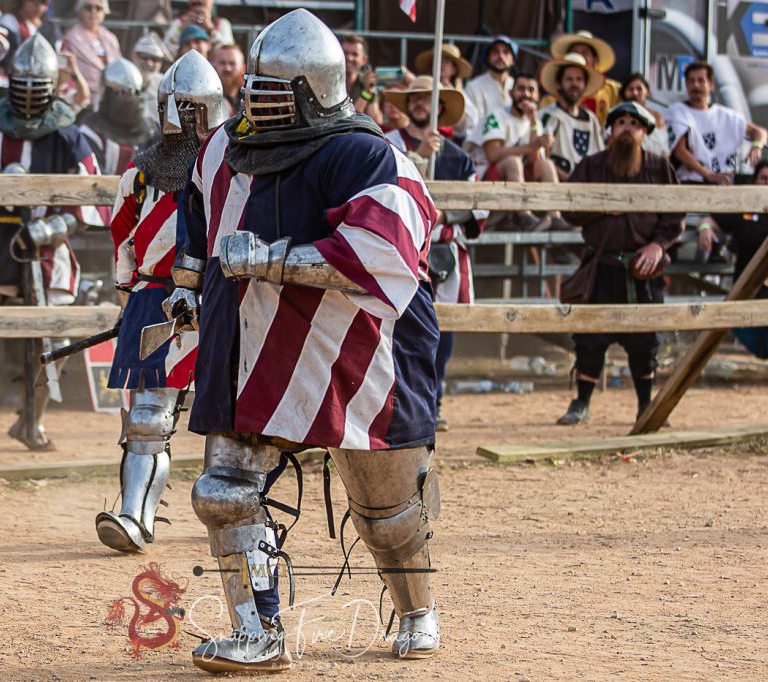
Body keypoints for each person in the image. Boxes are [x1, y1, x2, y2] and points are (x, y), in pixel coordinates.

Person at [169, 9, 442, 672]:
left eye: (274, 89)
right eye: (253, 87)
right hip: (252, 345)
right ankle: (257, 633)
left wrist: (270, 259)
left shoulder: (368, 155)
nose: (255, 101)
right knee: (224, 490)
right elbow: (199, 222)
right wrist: (184, 285)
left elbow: (388, 255)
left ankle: (417, 610)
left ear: (313, 88)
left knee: (387, 513)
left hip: (360, 356)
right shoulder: (220, 150)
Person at [96, 51, 225, 553]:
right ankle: (134, 517)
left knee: (226, 415)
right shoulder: (141, 172)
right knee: (147, 418)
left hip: (218, 297)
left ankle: (236, 512)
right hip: (153, 297)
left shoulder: (229, 168)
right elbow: (122, 235)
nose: (183, 118)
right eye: (177, 106)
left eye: (192, 108)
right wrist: (129, 295)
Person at [0, 34, 103, 450]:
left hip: (45, 244)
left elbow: (89, 197)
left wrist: (48, 228)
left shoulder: (68, 134)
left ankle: (31, 420)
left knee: (55, 339)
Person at [556, 102, 685, 426]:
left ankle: (646, 406)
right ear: (611, 130)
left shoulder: (659, 168)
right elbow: (568, 208)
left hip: (642, 269)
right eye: (621, 123)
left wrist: (658, 245)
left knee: (645, 340)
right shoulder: (592, 166)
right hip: (602, 267)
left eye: (634, 124)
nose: (627, 128)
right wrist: (603, 209)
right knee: (589, 338)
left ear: (644, 132)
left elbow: (676, 214)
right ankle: (581, 404)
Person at [385, 80, 486, 431]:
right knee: (399, 327)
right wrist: (421, 159)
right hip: (402, 249)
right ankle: (397, 405)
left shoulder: (459, 158)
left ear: (439, 107)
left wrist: (442, 214)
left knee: (441, 332)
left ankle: (434, 401)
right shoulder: (388, 146)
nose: (418, 105)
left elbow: (477, 213)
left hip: (445, 252)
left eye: (425, 100)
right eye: (412, 99)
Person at [468, 72, 562, 230]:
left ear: (538, 96)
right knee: (513, 161)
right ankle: (524, 216)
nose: (526, 94)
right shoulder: (496, 116)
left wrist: (533, 121)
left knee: (546, 164)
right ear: (511, 93)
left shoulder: (535, 121)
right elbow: (493, 154)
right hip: (485, 181)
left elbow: (535, 159)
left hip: (518, 182)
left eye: (531, 90)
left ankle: (555, 217)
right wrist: (533, 145)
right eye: (521, 89)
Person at [712, 160, 768, 359]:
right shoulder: (744, 208)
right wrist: (705, 229)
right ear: (754, 181)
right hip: (749, 287)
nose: (767, 183)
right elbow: (712, 219)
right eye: (763, 178)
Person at [668, 61, 768, 186]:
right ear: (686, 84)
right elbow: (680, 151)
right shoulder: (677, 111)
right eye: (691, 81)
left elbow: (760, 132)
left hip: (724, 183)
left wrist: (756, 146)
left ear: (711, 85)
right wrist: (708, 175)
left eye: (701, 80)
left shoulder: (727, 116)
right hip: (691, 183)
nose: (696, 85)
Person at [78, 57, 155, 176]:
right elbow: (94, 181)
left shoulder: (151, 131)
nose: (129, 99)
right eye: (121, 93)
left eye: (133, 93)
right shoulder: (91, 132)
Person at [538, 52, 604, 180]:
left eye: (579, 79)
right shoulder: (547, 115)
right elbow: (541, 158)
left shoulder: (591, 119)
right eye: (569, 79)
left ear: (585, 84)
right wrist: (571, 179)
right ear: (558, 83)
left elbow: (599, 158)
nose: (574, 84)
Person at [382, 75, 465, 171]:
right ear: (407, 104)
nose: (419, 103)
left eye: (427, 98)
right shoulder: (389, 144)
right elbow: (386, 173)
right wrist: (418, 156)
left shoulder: (457, 157)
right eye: (414, 98)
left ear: (439, 107)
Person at [544, 31, 621, 126]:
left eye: (585, 53)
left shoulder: (613, 90)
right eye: (575, 52)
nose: (580, 56)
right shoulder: (550, 101)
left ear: (595, 59)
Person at [61, 0, 120, 109]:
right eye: (88, 8)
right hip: (83, 99)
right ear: (79, 11)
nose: (94, 11)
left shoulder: (111, 38)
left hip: (111, 98)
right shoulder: (70, 37)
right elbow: (63, 70)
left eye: (98, 8)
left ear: (104, 12)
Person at [415, 43, 475, 139]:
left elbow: (465, 126)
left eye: (446, 61)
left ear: (454, 69)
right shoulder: (419, 87)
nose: (441, 64)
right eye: (437, 60)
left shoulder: (460, 94)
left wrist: (453, 99)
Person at [464, 35, 515, 138]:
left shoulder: (518, 86)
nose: (501, 56)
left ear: (513, 60)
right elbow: (471, 127)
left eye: (506, 52)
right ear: (487, 58)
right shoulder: (473, 87)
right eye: (495, 52)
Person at [161, 0, 231, 58]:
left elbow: (228, 54)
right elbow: (165, 52)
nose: (198, 1)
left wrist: (210, 29)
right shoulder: (179, 23)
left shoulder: (221, 23)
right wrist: (180, 29)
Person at [621, 73, 668, 157]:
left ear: (648, 92)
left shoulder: (656, 117)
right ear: (624, 92)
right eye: (630, 89)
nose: (635, 93)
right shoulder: (616, 115)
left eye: (639, 89)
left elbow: (665, 150)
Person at [341, 33, 381, 124]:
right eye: (345, 53)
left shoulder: (367, 82)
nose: (349, 58)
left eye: (354, 54)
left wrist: (367, 92)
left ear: (364, 60)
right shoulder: (328, 81)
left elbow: (376, 121)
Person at [131, 32, 169, 119]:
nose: (149, 63)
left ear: (161, 62)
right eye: (144, 57)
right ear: (134, 56)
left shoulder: (166, 84)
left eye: (155, 59)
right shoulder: (123, 79)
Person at [210, 42, 243, 116]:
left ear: (242, 67)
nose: (227, 68)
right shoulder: (206, 100)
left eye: (232, 63)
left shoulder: (249, 100)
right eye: (222, 63)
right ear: (214, 66)